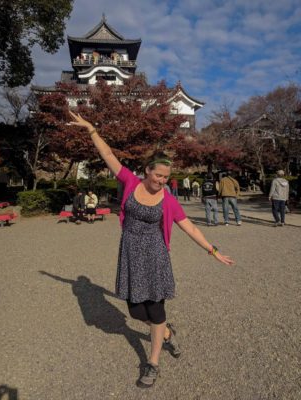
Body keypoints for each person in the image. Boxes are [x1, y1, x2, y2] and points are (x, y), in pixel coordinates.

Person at [69, 111, 234, 388]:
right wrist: (91, 130)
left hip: (155, 256)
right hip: (131, 254)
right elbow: (109, 155)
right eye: (158, 175)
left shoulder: (167, 200)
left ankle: (153, 363)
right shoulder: (130, 183)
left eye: (166, 177)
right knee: (135, 311)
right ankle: (166, 333)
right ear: (147, 170)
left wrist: (213, 250)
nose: (161, 180)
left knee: (155, 310)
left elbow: (189, 227)